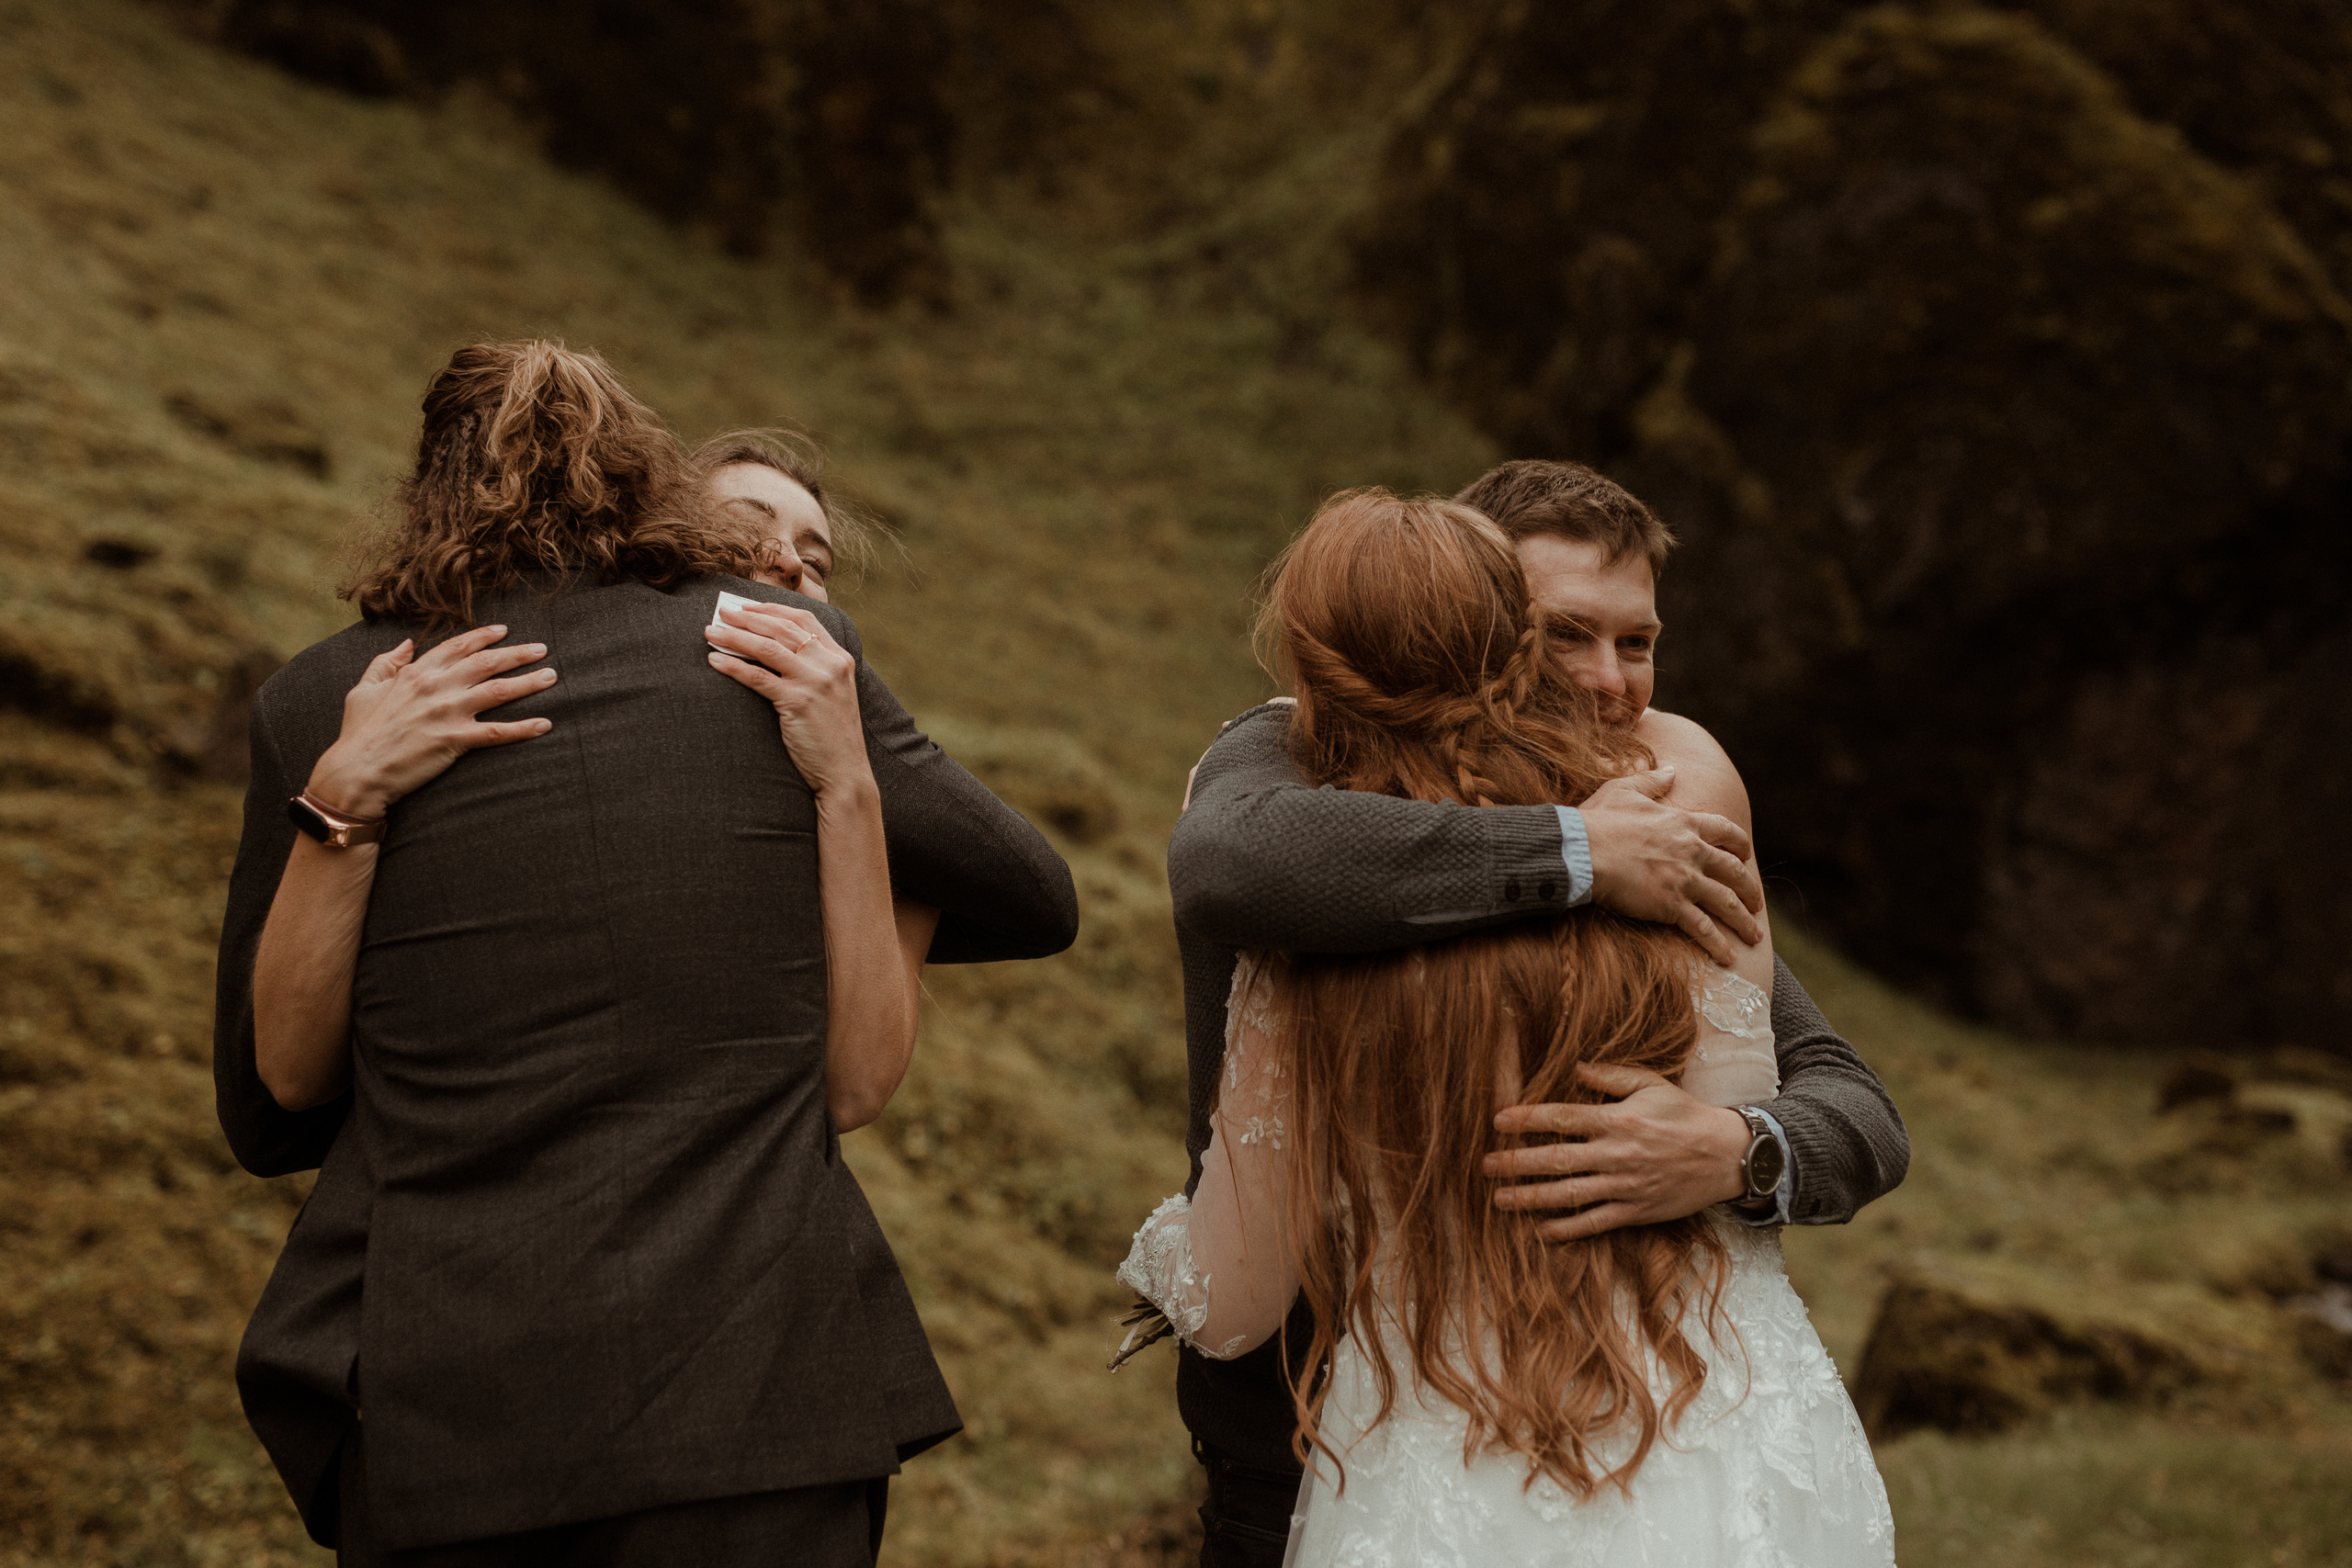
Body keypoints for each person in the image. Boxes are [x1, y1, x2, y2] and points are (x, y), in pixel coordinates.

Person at [214, 341, 1080, 1565]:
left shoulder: (330, 697)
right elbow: (1033, 892)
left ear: (427, 489)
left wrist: (341, 802)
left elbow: (270, 1109)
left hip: (453, 1409)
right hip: (763, 1402)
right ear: (645, 479)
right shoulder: (777, 654)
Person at [1121, 489, 1895, 1562]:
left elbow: (1852, 1102)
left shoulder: (1659, 836)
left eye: (1639, 643)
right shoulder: (1294, 763)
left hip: (1522, 1435)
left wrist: (1737, 1149)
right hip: (1322, 1439)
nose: (1611, 683)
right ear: (1472, 620)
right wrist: (1574, 850)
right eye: (1564, 634)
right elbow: (1230, 860)